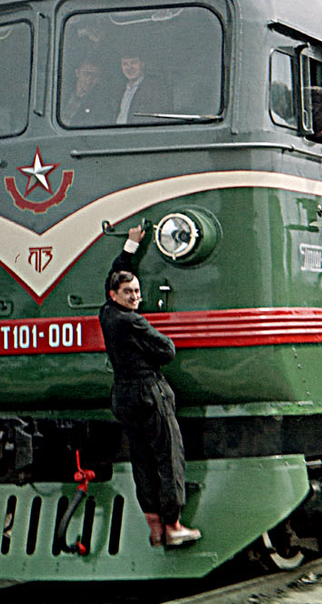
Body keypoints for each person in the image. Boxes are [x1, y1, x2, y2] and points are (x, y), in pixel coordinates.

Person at [99, 225, 201, 548]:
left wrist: (130, 246)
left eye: (138, 291)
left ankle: (154, 528)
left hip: (123, 395)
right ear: (116, 295)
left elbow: (116, 272)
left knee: (141, 460)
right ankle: (174, 525)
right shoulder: (132, 321)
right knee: (169, 456)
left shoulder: (106, 313)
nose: (137, 297)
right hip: (149, 392)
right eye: (130, 293)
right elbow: (167, 350)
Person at [114, 54, 170, 124]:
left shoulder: (153, 88)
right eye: (125, 64)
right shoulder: (119, 91)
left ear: (142, 64)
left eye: (133, 62)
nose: (129, 68)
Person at [61, 58, 115, 126]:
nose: (90, 78)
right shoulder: (62, 94)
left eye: (94, 76)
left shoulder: (101, 105)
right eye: (86, 74)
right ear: (77, 73)